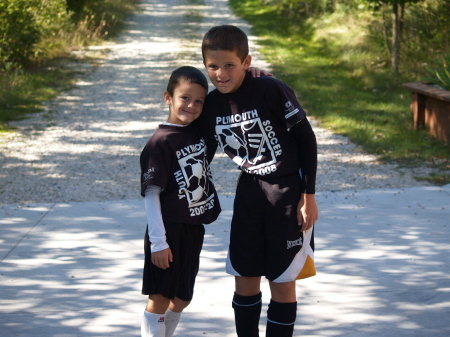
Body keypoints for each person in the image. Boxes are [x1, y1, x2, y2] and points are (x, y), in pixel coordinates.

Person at [196, 25, 319, 337]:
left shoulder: (271, 90)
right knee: (245, 277)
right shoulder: (211, 105)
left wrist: (309, 196)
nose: (220, 74)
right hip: (249, 195)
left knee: (281, 282)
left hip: (287, 195)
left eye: (229, 65)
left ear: (246, 62)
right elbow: (203, 154)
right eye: (213, 66)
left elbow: (307, 140)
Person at [139, 66, 221, 337]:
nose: (192, 105)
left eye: (199, 101)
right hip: (168, 230)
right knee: (160, 298)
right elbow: (152, 196)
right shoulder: (159, 143)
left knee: (183, 298)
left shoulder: (197, 132)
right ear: (168, 98)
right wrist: (158, 242)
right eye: (185, 98)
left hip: (193, 228)